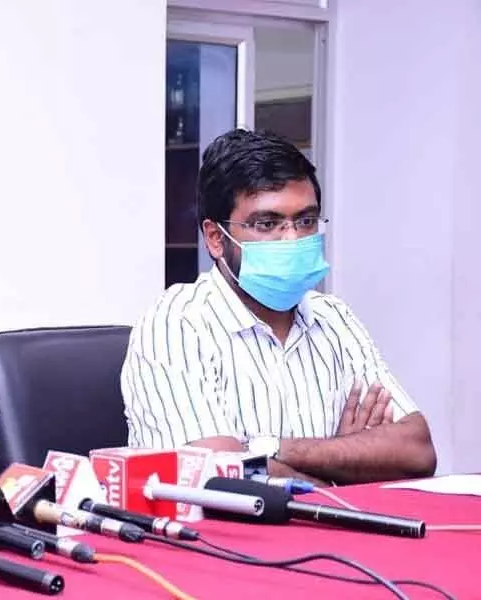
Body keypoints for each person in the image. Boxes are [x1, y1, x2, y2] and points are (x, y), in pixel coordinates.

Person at [121, 129, 436, 486]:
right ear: (215, 238)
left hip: (337, 538)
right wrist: (343, 464)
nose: (293, 238)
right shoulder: (177, 322)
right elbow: (219, 478)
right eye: (267, 224)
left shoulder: (335, 319)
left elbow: (416, 451)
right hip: (226, 540)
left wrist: (267, 448)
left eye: (305, 221)